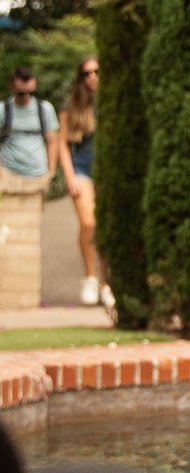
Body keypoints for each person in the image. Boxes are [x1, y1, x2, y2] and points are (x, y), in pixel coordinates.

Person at [57, 59, 113, 310]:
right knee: (89, 223)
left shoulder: (112, 102)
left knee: (107, 228)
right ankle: (90, 277)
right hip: (81, 169)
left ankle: (107, 284)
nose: (92, 76)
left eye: (97, 71)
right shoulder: (72, 106)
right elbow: (61, 143)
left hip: (107, 171)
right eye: (87, 72)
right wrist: (69, 175)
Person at [1, 66, 58, 183]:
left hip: (38, 176)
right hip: (8, 175)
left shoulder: (45, 109)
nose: (26, 96)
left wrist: (51, 172)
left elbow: (52, 142)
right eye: (21, 93)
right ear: (12, 88)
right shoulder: (3, 110)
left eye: (31, 93)